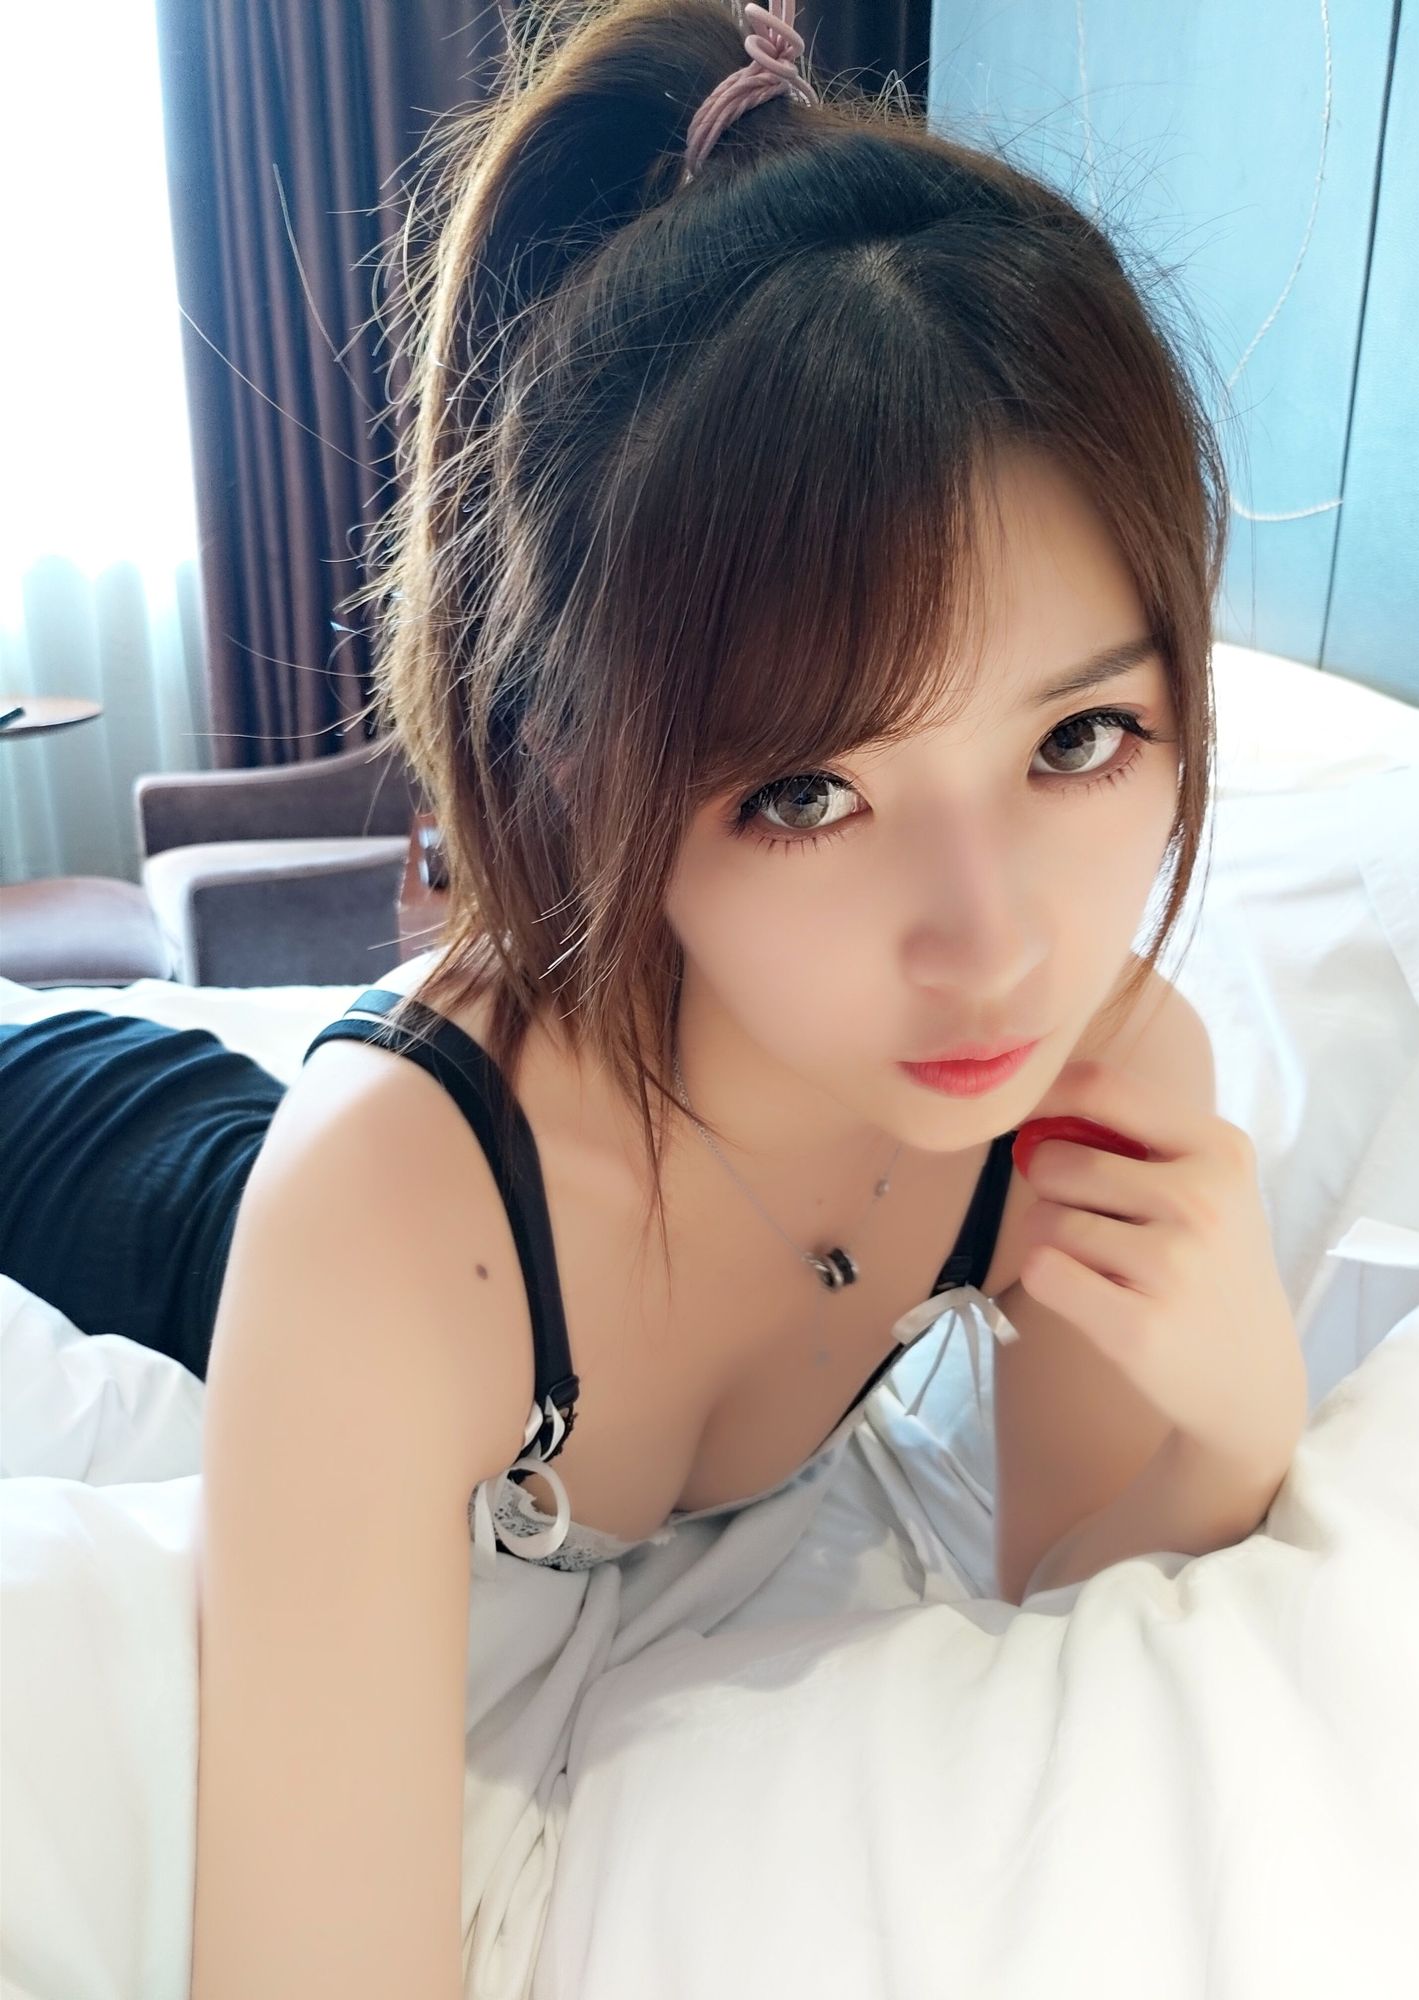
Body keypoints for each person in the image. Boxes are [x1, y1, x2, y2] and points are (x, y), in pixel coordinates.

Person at [1, 5, 1307, 1993]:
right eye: (810, 792)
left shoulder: (1099, 1079)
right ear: (570, 765)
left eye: (1079, 738)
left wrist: (1231, 1423)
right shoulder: (393, 1220)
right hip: (122, 1168)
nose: (994, 947)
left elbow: (1065, 1614)